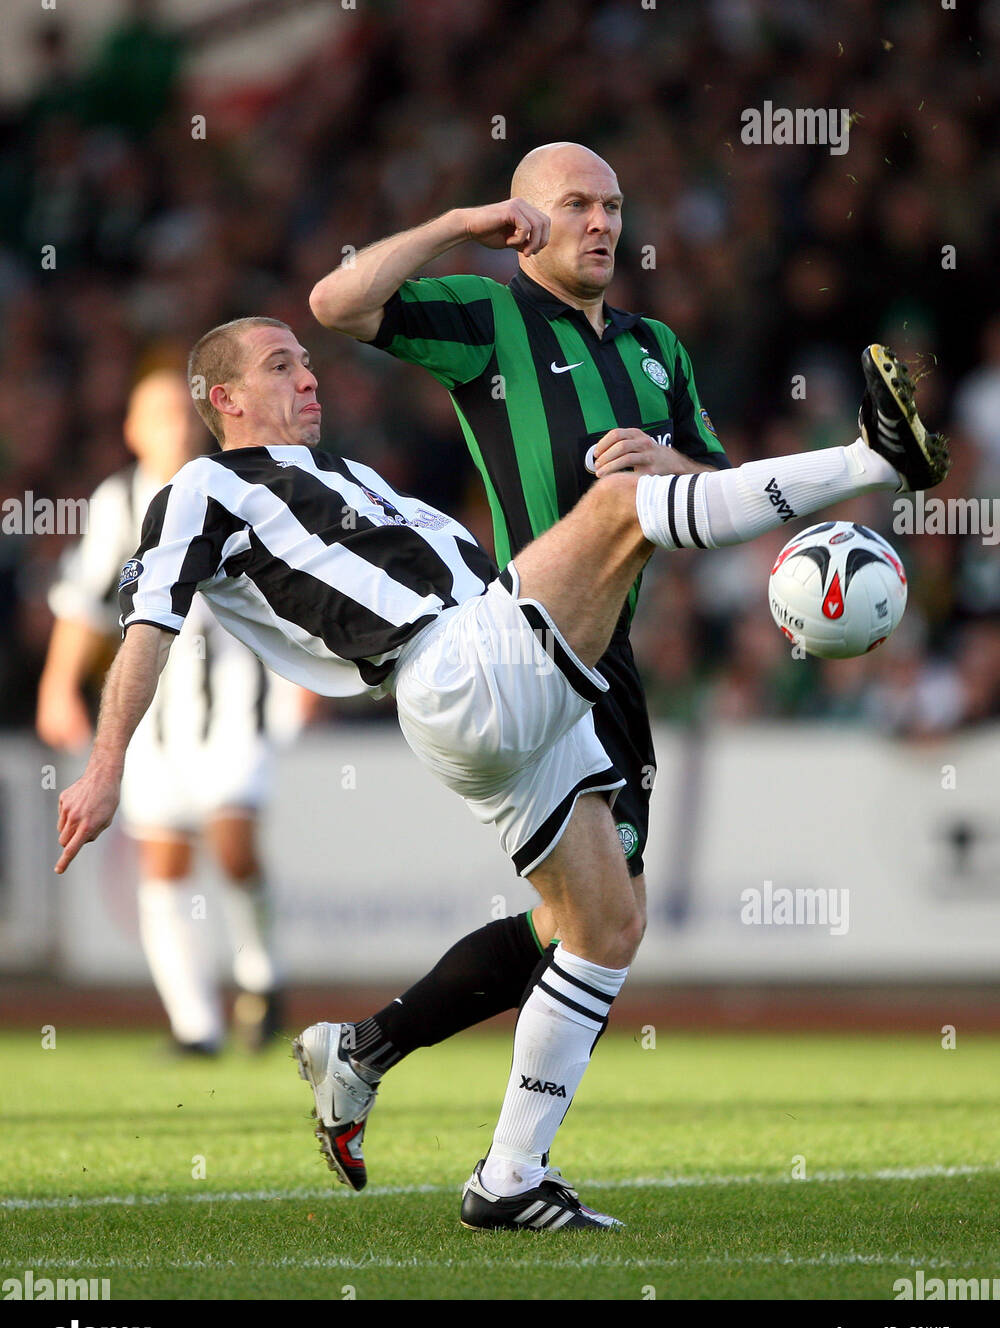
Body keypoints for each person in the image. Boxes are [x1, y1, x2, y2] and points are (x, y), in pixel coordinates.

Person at [54, 318, 946, 1229]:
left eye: (311, 363)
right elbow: (148, 624)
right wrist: (106, 763)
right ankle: (873, 462)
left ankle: (491, 1162)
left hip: (484, 676)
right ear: (224, 400)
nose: (311, 379)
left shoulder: (345, 476)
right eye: (282, 366)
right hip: (453, 671)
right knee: (619, 504)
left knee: (603, 925)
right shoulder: (199, 488)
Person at [304, 143, 729, 1144]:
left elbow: (719, 481)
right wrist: (459, 221)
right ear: (525, 221)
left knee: (585, 919)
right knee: (604, 923)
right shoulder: (491, 317)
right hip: (530, 649)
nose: (601, 222)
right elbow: (334, 302)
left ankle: (364, 1049)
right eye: (575, 203)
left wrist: (668, 459)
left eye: (613, 205)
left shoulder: (656, 345)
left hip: (609, 659)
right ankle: (508, 1172)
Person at [38, 370, 292, 1053]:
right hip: (148, 718)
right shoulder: (117, 501)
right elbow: (84, 602)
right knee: (165, 863)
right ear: (131, 428)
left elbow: (285, 593)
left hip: (234, 705)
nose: (172, 427)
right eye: (155, 414)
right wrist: (57, 685)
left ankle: (262, 975)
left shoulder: (237, 486)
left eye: (181, 413)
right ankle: (196, 1025)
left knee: (235, 849)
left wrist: (304, 674)